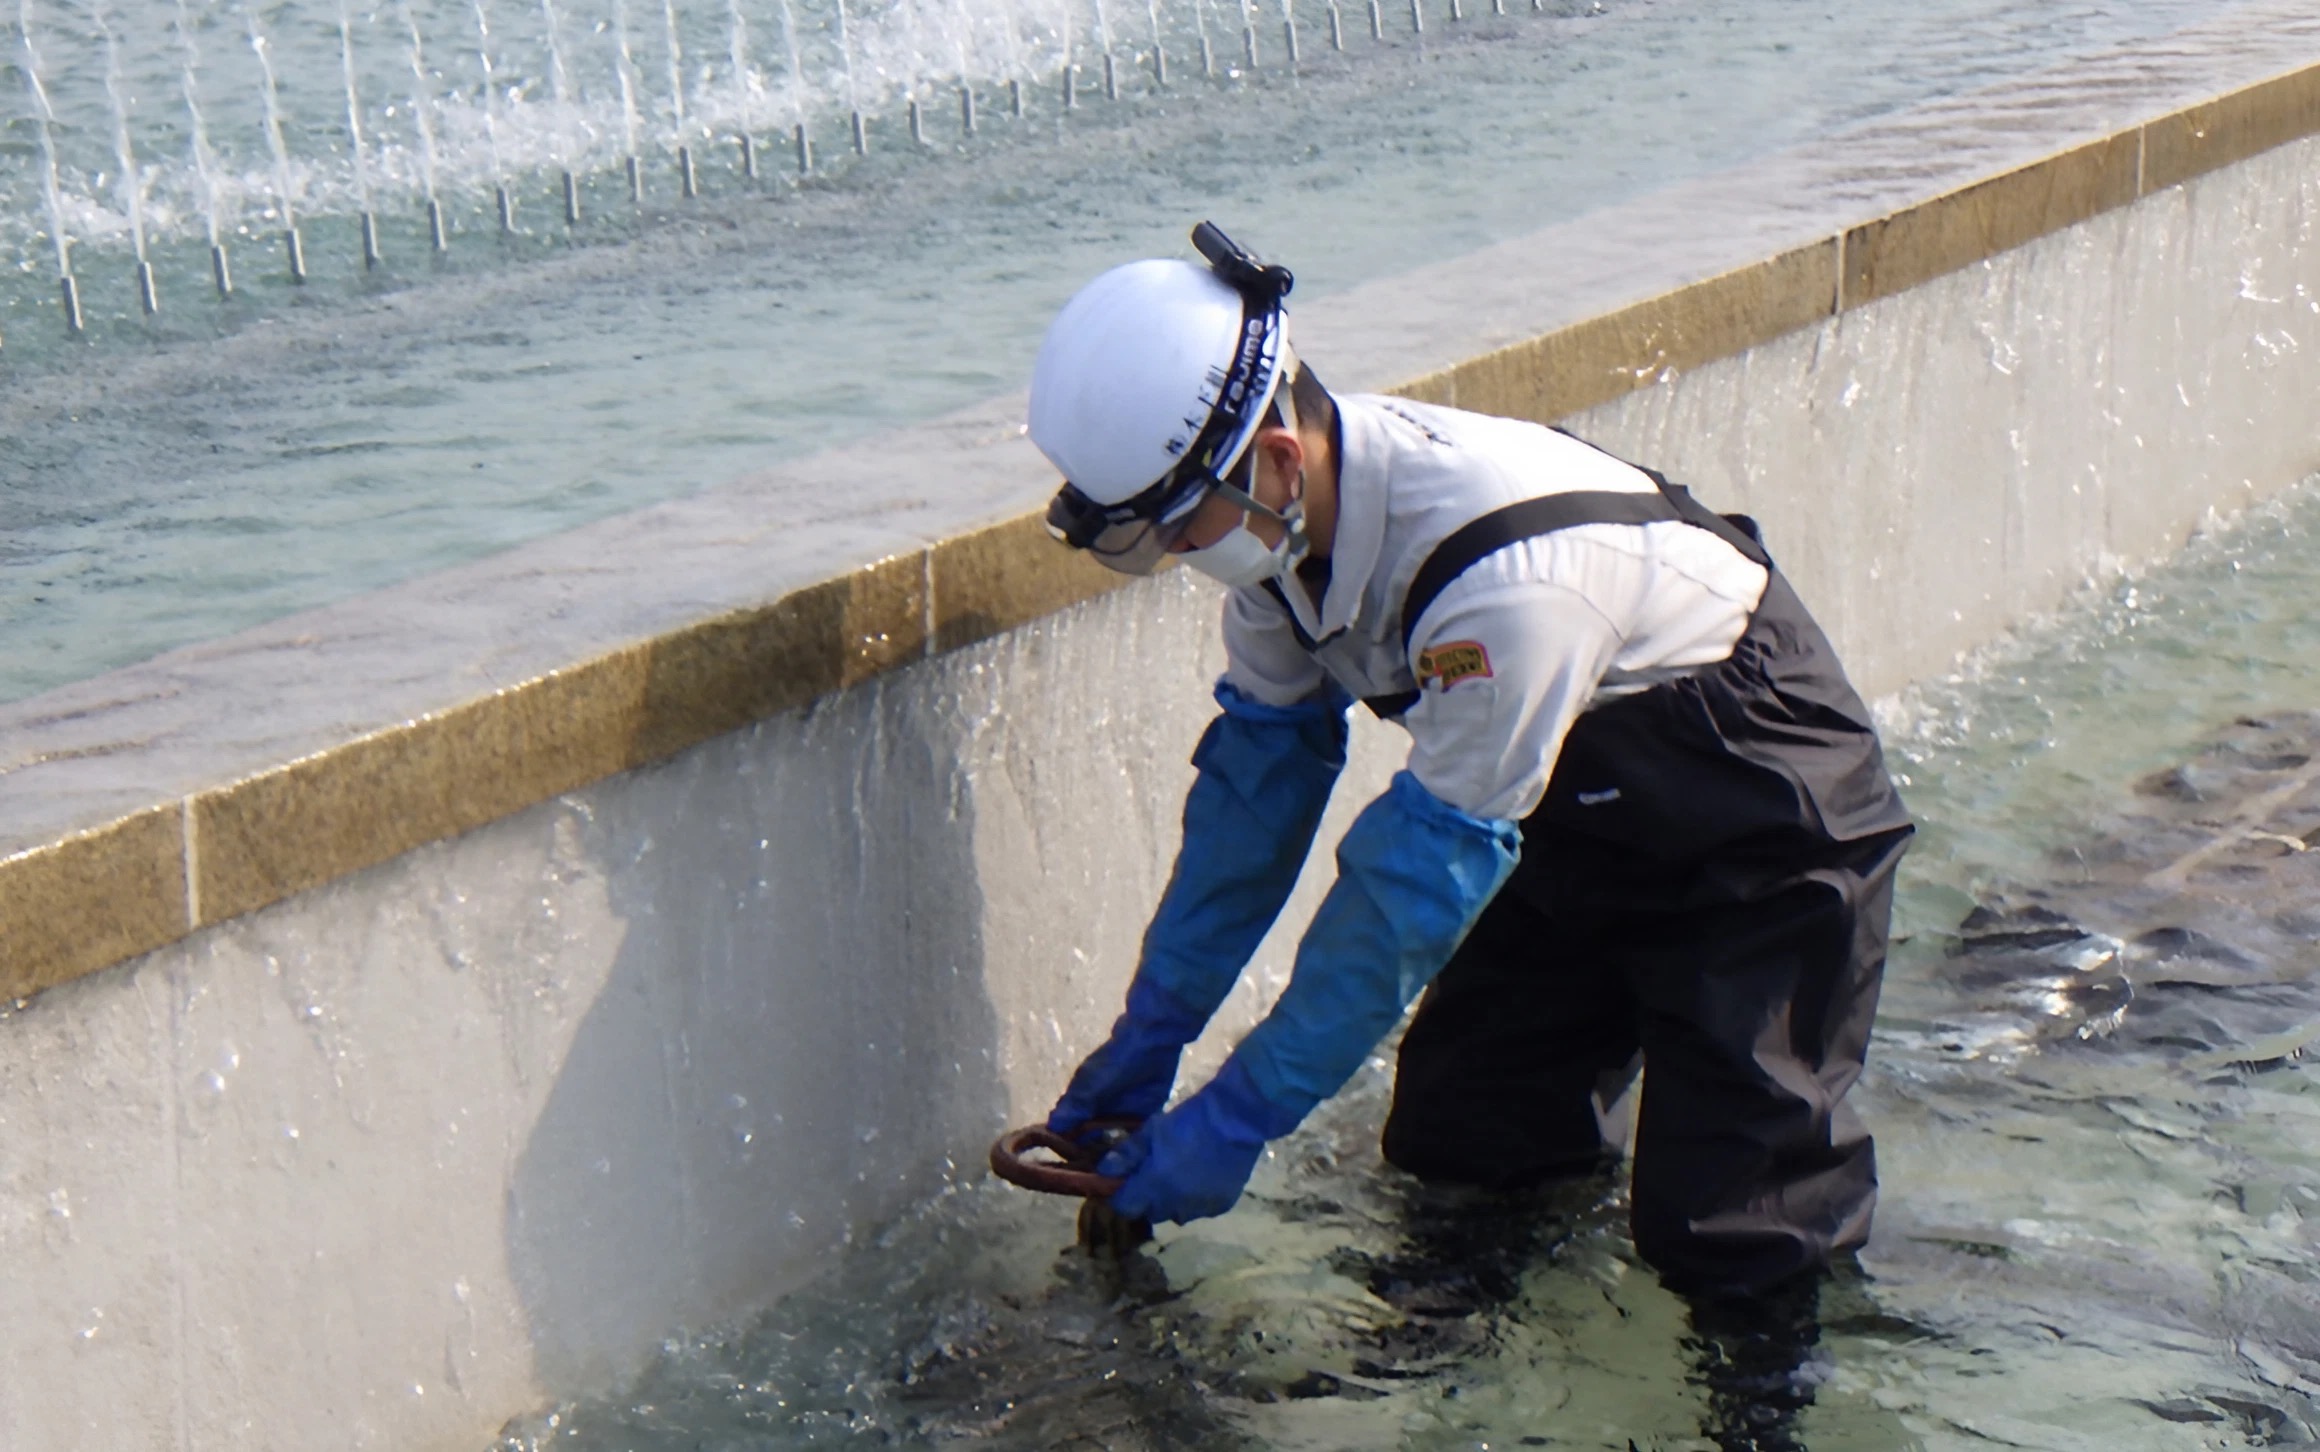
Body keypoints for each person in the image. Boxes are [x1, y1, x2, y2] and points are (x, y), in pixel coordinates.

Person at [1029, 222, 1913, 1298]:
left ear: (1273, 457)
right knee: (1462, 1142)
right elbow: (1253, 805)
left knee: (1734, 1226)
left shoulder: (1506, 584)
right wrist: (1156, 1026)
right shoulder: (1273, 544)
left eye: (1174, 525)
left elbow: (1410, 885)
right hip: (1572, 809)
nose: (1173, 554)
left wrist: (1243, 1113)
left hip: (1758, 823)